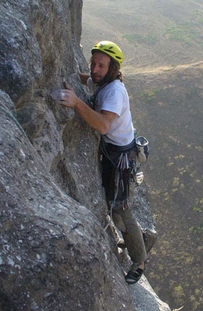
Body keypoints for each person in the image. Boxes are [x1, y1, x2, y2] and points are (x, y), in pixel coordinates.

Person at [57, 40, 147, 284]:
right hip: (113, 153)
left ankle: (139, 261)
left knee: (121, 209)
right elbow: (89, 79)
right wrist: (74, 74)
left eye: (101, 66)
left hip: (121, 159)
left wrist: (77, 102)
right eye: (93, 63)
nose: (95, 69)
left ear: (113, 69)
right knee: (113, 204)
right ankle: (142, 238)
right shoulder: (105, 82)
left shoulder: (114, 92)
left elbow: (103, 125)